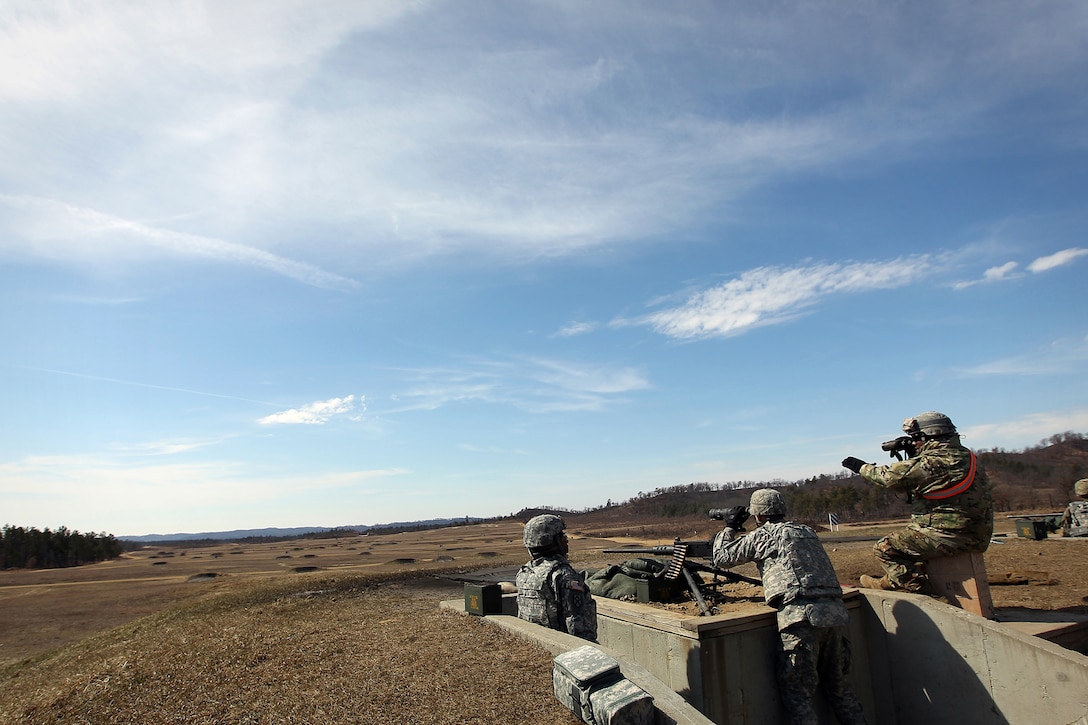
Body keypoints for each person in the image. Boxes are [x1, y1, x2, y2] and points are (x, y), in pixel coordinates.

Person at [712, 489, 869, 725]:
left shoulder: (763, 536)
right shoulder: (806, 531)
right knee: (839, 688)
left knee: (797, 693)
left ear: (757, 515)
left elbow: (721, 557)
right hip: (835, 613)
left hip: (801, 617)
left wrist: (730, 526)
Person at [841, 411, 993, 594]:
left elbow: (889, 477)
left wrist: (862, 467)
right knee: (911, 552)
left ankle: (926, 594)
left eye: (916, 438)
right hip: (978, 534)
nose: (914, 442)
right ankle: (886, 583)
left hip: (949, 536)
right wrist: (916, 454)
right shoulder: (967, 456)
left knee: (885, 548)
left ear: (929, 436)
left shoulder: (933, 462)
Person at [515, 514, 598, 642]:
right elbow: (578, 628)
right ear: (552, 541)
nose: (566, 540)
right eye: (562, 536)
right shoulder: (563, 575)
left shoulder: (524, 573)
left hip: (538, 646)